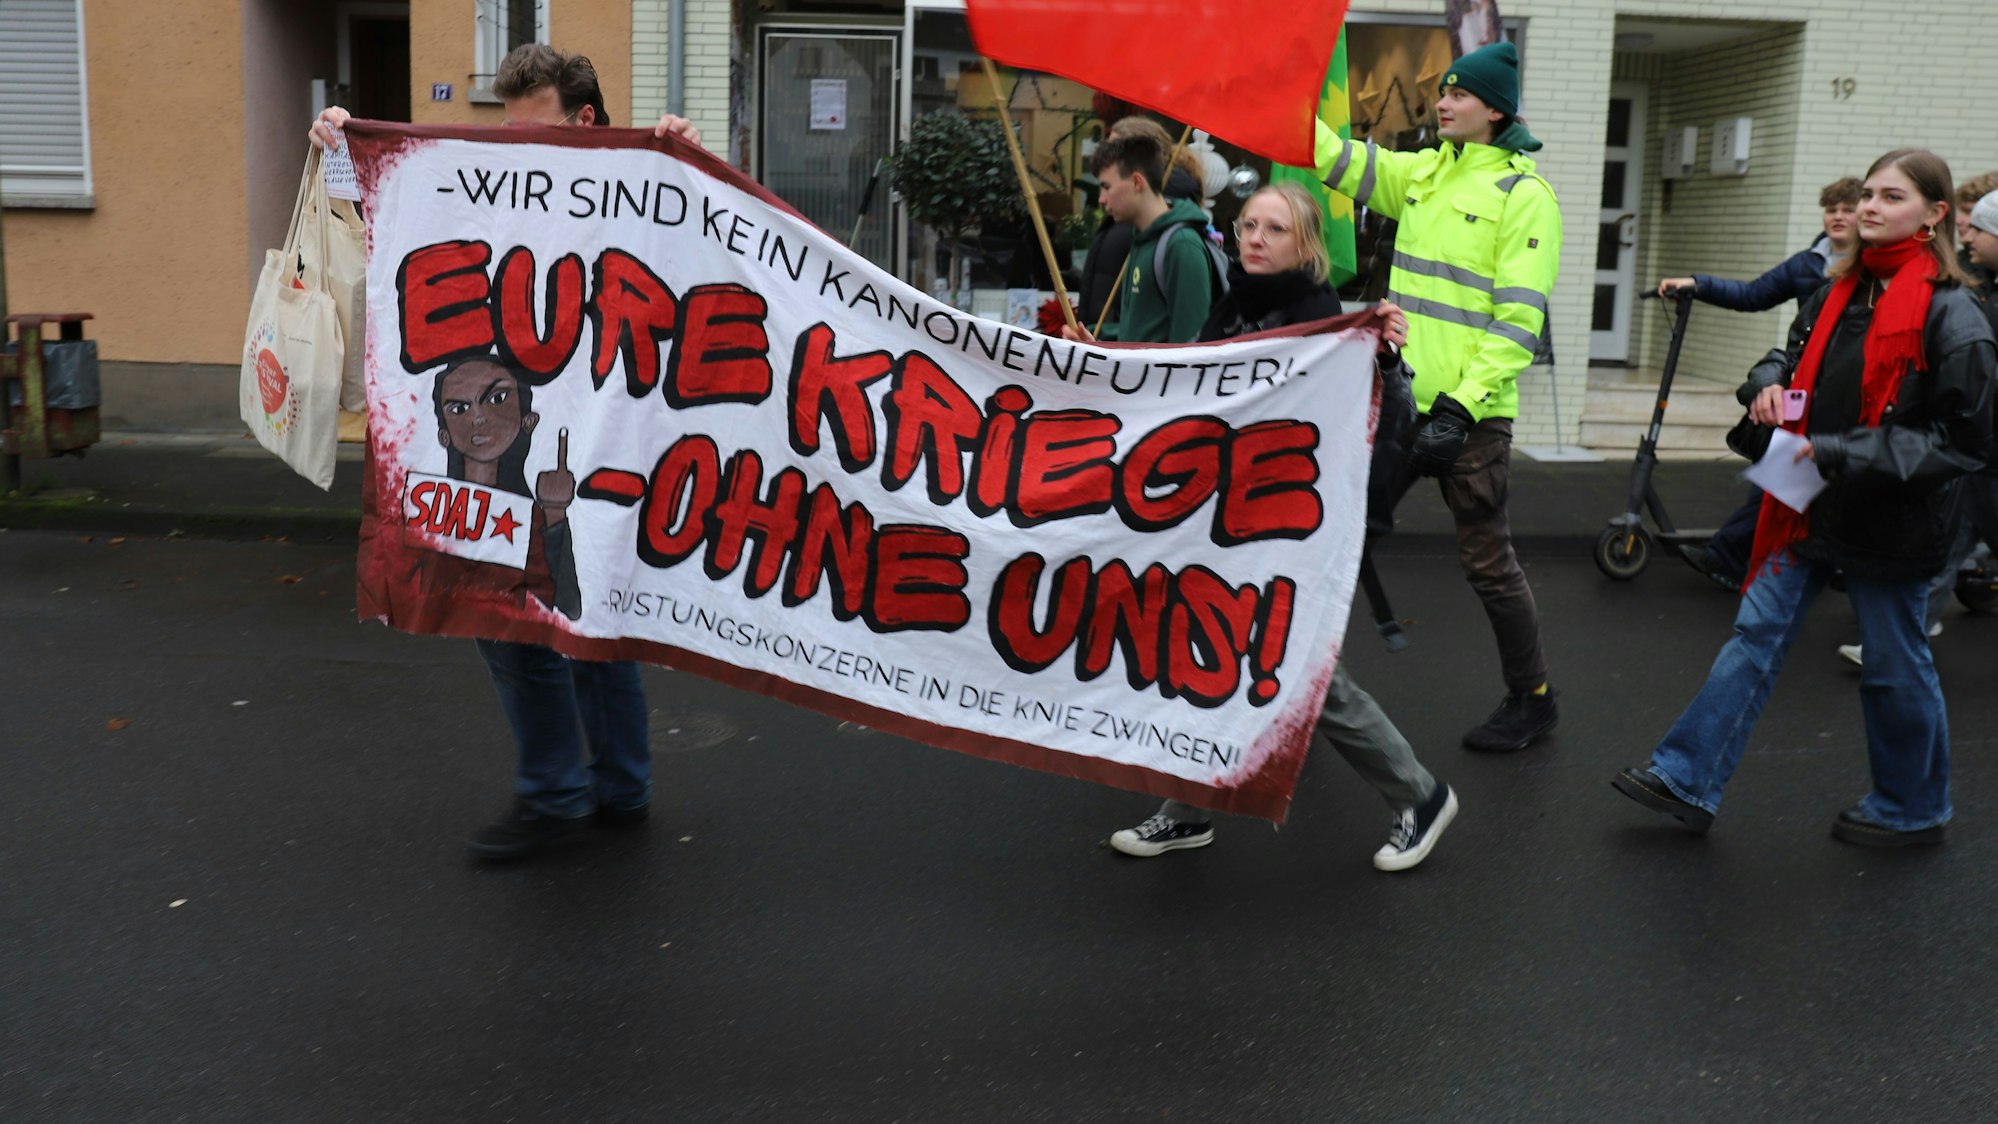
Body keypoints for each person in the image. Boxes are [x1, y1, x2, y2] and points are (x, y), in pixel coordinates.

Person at [311, 43, 704, 860]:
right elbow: (413, 206)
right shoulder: (505, 179)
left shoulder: (639, 181)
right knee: (533, 605)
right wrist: (344, 150)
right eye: (510, 130)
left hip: (593, 441)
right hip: (501, 433)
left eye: (539, 130)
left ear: (585, 120)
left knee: (567, 607)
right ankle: (610, 788)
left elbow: (699, 245)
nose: (519, 147)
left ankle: (571, 794)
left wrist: (687, 158)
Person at [1611, 149, 1996, 848]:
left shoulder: (1955, 315)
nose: (1870, 207)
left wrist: (1844, 451)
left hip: (1895, 516)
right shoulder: (1834, 290)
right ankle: (1685, 777)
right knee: (1754, 635)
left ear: (1936, 215)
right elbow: (1788, 357)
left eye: (1892, 197)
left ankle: (1913, 808)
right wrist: (1764, 380)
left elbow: (1963, 443)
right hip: (1802, 490)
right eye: (1869, 194)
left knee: (1892, 664)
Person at [1108, 184, 1458, 871]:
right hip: (1220, 521)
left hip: (1286, 533)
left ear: (1306, 245)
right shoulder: (1235, 304)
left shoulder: (1320, 320)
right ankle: (1187, 811)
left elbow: (1382, 420)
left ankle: (1421, 796)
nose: (1256, 239)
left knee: (1301, 678)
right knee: (1199, 653)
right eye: (1247, 226)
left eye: (1275, 229)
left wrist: (1383, 359)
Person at [1310, 40, 1563, 753]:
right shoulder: (1420, 173)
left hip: (1469, 420)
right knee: (1333, 542)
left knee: (1488, 563)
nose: (1441, 103)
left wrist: (1461, 407)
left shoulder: (1525, 198)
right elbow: (1331, 156)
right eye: (1442, 92)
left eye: (1457, 95)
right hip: (1395, 402)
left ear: (1495, 110)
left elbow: (1519, 323)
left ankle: (1533, 698)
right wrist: (1276, 101)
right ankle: (1300, 686)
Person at [1658, 178, 1864, 591]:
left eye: (1847, 209)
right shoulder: (1808, 263)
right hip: (1805, 384)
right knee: (1785, 470)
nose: (1837, 217)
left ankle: (1746, 559)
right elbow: (1753, 293)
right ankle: (1739, 559)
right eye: (1831, 209)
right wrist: (1698, 285)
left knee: (1799, 476)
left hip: (1846, 392)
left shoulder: (1872, 273)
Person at [1063, 131, 1217, 344]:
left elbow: (1190, 351)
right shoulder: (1141, 238)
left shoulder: (1182, 245)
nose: (1101, 198)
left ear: (1137, 182)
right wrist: (1098, 345)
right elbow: (1141, 333)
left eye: (1107, 187)